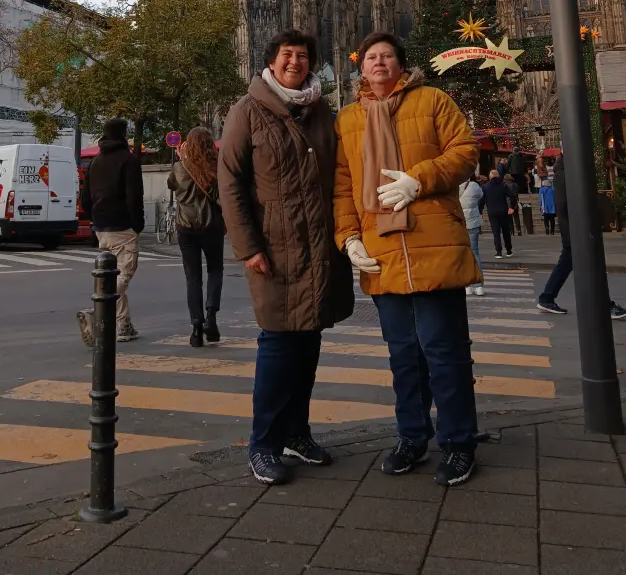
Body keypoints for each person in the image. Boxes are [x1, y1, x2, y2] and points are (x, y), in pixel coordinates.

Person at [334, 31, 481, 487]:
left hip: (433, 245)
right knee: (403, 356)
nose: (379, 63)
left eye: (387, 56)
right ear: (361, 68)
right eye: (372, 57)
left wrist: (418, 180)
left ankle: (458, 444)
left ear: (401, 65)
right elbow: (342, 187)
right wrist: (347, 238)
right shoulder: (347, 119)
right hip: (381, 253)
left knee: (445, 353)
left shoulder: (433, 101)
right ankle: (412, 437)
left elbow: (465, 152)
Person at [218, 29, 354, 486]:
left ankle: (297, 433)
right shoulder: (247, 110)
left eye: (302, 55)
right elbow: (230, 183)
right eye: (286, 55)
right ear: (271, 62)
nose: (294, 62)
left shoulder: (321, 111)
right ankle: (263, 445)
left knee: (308, 344)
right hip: (274, 248)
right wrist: (248, 247)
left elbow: (340, 172)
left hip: (317, 245)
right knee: (277, 347)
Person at [537, 154, 626, 319]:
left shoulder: (562, 174)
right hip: (578, 230)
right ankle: (605, 306)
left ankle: (547, 297)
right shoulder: (569, 175)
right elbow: (576, 202)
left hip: (573, 230)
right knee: (594, 267)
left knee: (568, 265)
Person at [78, 118, 145, 345]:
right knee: (124, 274)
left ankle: (123, 324)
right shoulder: (128, 160)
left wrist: (94, 216)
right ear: (124, 135)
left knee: (111, 273)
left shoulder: (95, 162)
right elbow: (134, 197)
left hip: (101, 226)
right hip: (123, 225)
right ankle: (96, 314)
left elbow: (84, 197)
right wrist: (138, 224)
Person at [168, 128, 225, 348]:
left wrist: (183, 159)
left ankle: (196, 328)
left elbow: (171, 184)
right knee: (215, 270)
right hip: (212, 226)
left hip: (186, 227)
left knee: (193, 277)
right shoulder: (216, 166)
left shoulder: (179, 167)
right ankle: (211, 315)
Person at [460, 176, 485, 296]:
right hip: (473, 222)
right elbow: (480, 195)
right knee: (475, 253)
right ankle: (479, 286)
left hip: (459, 223)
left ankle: (467, 285)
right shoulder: (474, 186)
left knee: (462, 254)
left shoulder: (454, 185)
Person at [481, 169, 513, 259]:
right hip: (503, 211)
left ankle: (498, 252)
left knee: (496, 232)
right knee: (506, 231)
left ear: (490, 177)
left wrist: (480, 211)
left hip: (492, 212)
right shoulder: (503, 186)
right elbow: (513, 196)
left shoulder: (485, 187)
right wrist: (511, 207)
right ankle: (509, 250)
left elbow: (482, 200)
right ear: (498, 176)